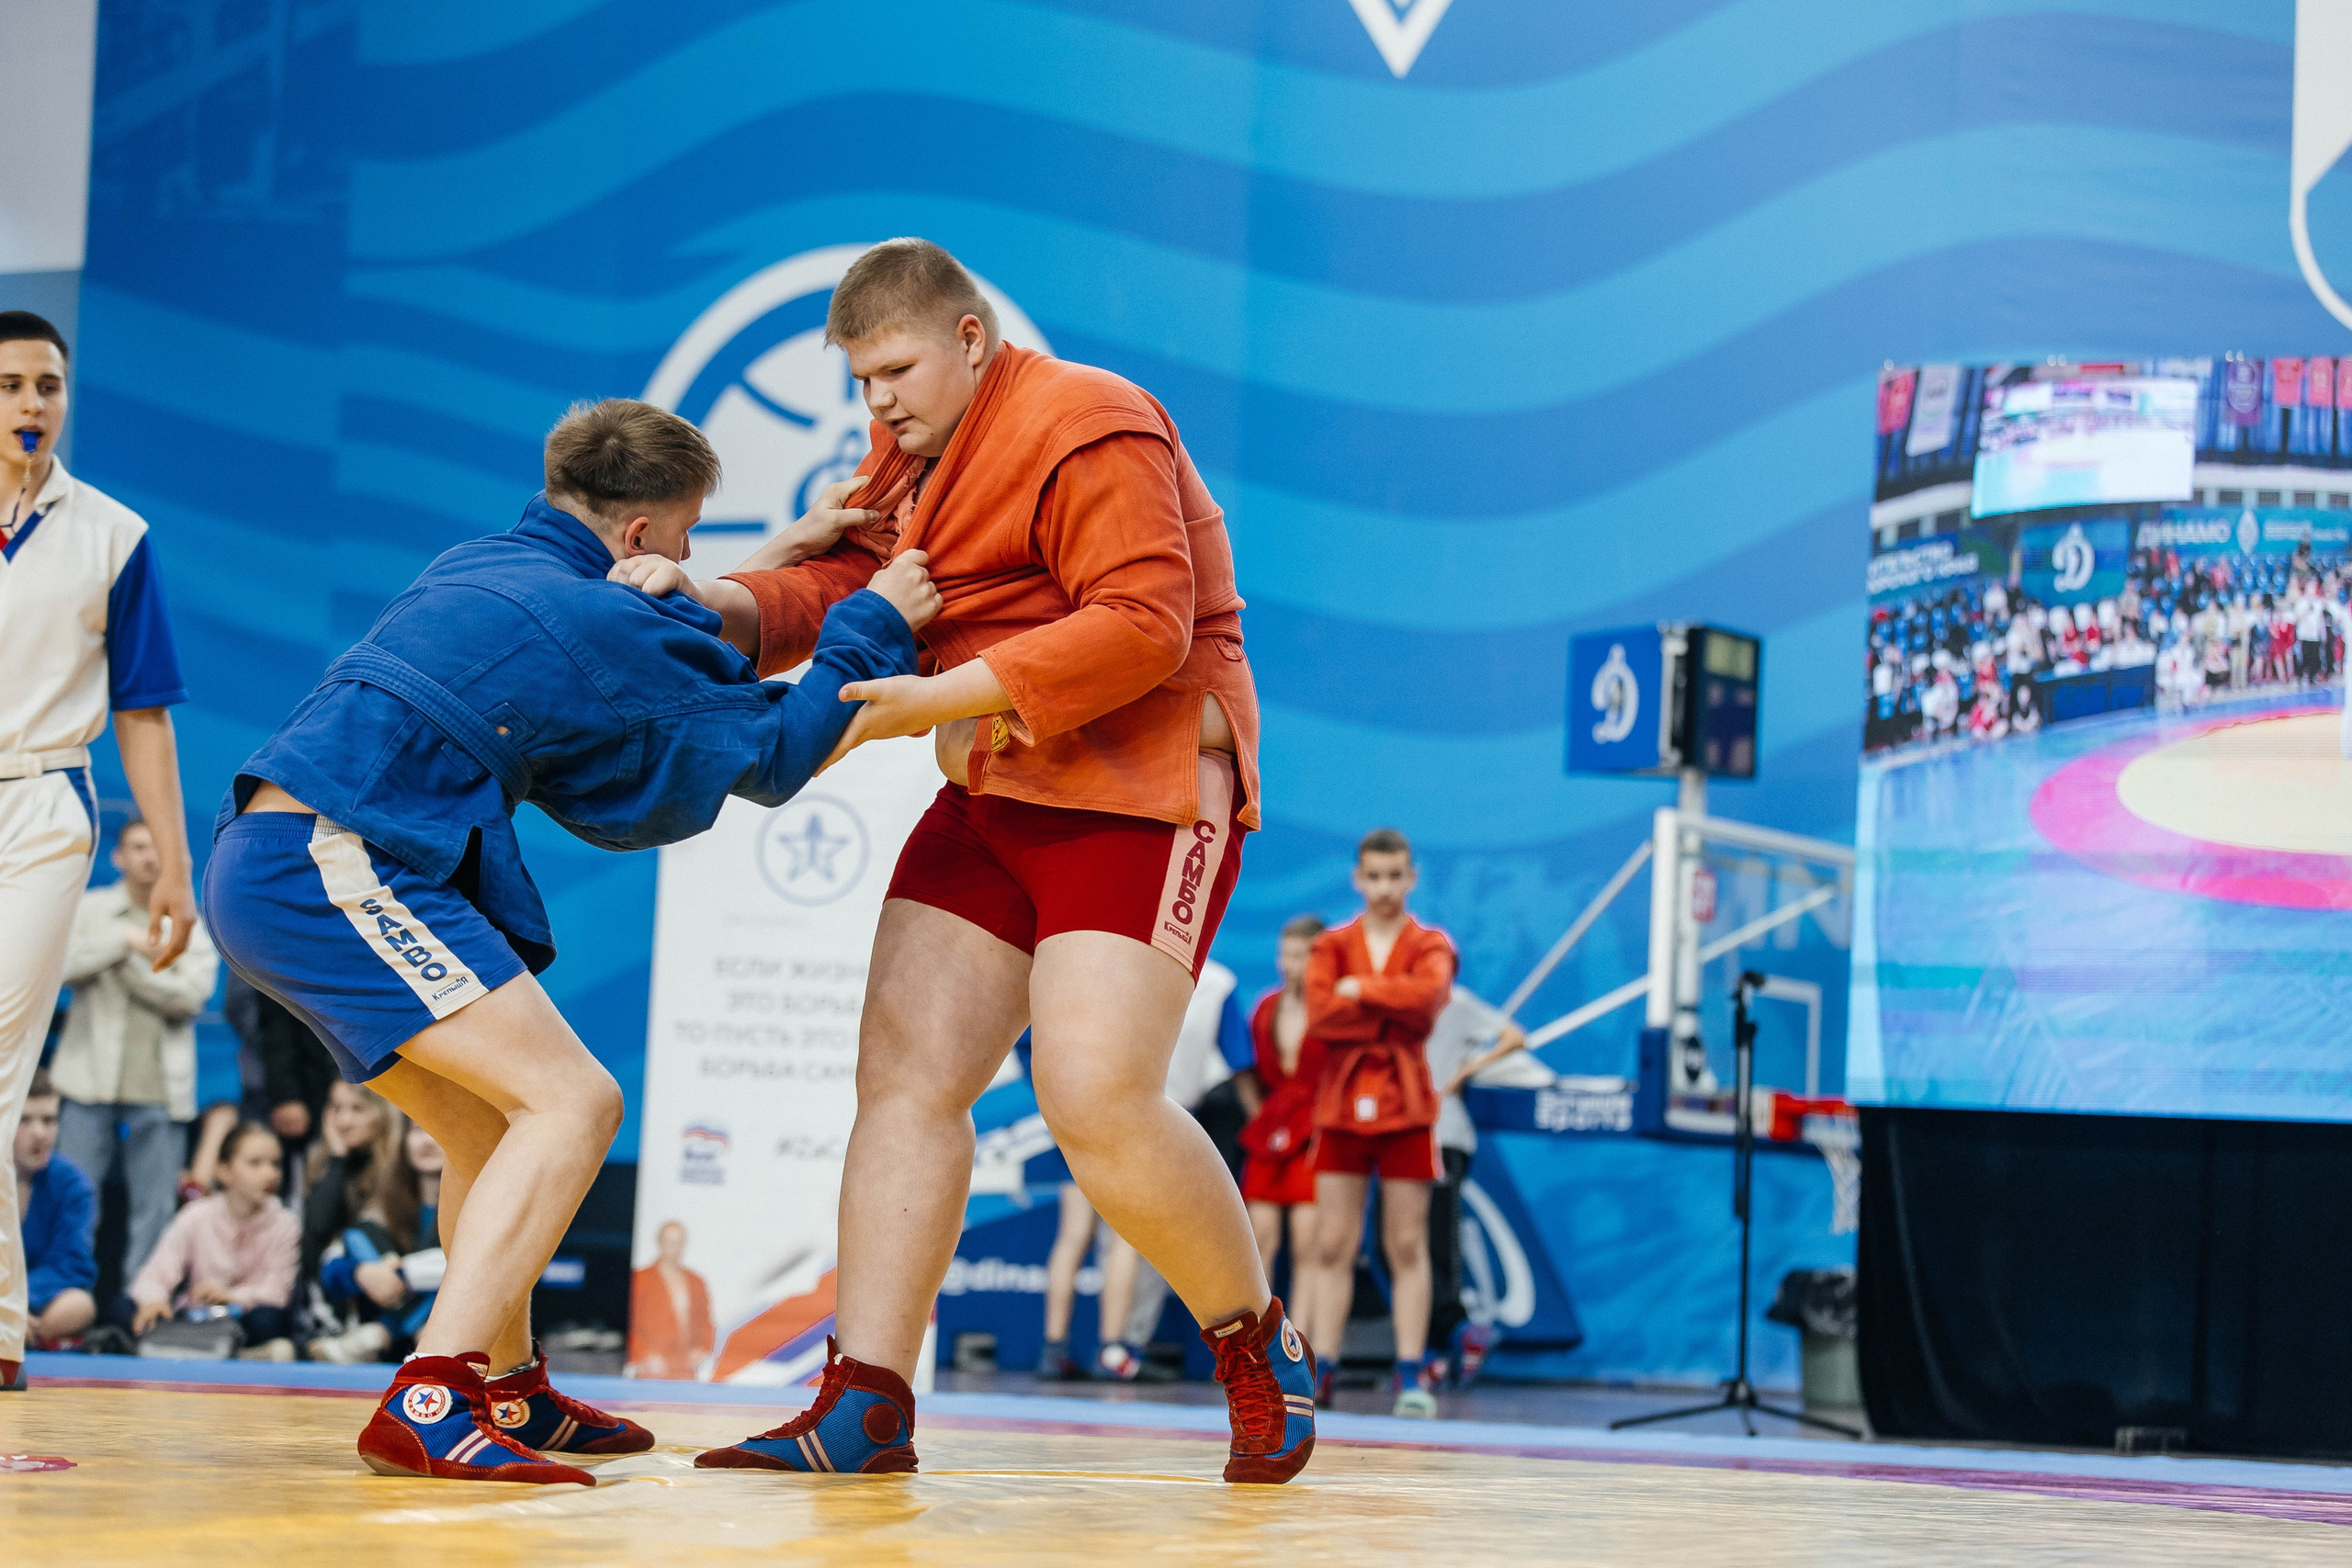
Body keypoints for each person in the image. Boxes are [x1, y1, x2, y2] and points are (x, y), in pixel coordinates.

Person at [202, 399, 933, 1484]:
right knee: (576, 1102)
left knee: (495, 1125)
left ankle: (504, 1391)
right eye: (683, 536)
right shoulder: (595, 617)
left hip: (273, 856)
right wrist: (875, 618)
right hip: (333, 859)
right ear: (638, 536)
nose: (688, 559)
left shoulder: (487, 559)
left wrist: (773, 557)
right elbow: (775, 755)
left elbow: (609, 614)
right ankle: (435, 1390)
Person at [678, 239, 1315, 1484]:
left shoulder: (1092, 417)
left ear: (970, 338)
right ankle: (866, 1395)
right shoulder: (917, 449)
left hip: (1144, 790)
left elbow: (1145, 626)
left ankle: (1255, 1336)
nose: (879, 402)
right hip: (993, 783)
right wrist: (706, 604)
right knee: (904, 1078)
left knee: (1093, 1094)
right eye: (860, 381)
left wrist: (924, 701)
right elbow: (857, 583)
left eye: (896, 370)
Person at [0, 310, 199, 1393]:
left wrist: (171, 864)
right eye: (9, 385)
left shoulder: (114, 535)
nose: (31, 404)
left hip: (44, 809)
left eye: (47, 385)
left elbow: (145, 714)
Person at [1296, 829, 1456, 1418]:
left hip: (1408, 1106)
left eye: (1396, 876)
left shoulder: (1431, 943)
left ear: (1411, 879)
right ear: (1358, 879)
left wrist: (1361, 990)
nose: (1385, 888)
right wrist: (1394, 1011)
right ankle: (1323, 1368)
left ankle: (1411, 1373)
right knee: (1331, 1243)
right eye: (1375, 876)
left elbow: (1428, 1001)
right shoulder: (1331, 945)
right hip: (1341, 1105)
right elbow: (1320, 1016)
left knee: (1406, 1244)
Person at [51, 816, 220, 1280]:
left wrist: (125, 963)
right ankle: (67, 1304)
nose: (149, 857)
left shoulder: (186, 917)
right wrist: (125, 941)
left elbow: (190, 997)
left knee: (155, 1209)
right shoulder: (90, 909)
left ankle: (139, 1308)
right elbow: (60, 966)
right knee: (75, 1201)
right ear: (118, 857)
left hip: (160, 1088)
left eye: (155, 848)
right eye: (137, 847)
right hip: (87, 1082)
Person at [128, 1122, 301, 1358]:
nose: (270, 1174)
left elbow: (277, 1291)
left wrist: (232, 1296)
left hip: (244, 1318)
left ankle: (234, 1353)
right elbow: (155, 1274)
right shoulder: (196, 1215)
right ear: (223, 1171)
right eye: (255, 1163)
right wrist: (154, 1301)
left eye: (275, 1164)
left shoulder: (285, 1223)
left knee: (269, 1320)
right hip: (193, 1318)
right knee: (123, 1309)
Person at [1425, 987, 1525, 1387]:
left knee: (1436, 1240)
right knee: (1399, 1245)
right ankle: (1440, 1343)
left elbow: (1514, 1036)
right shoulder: (1399, 996)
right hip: (1404, 1132)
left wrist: (1465, 1071)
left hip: (1444, 1133)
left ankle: (1453, 1334)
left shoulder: (1456, 1001)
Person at [1237, 918, 1328, 1300]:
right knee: (1258, 1243)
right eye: (1287, 954)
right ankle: (1262, 1350)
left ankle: (1303, 1349)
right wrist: (1259, 1114)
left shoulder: (1334, 1009)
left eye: (1303, 955)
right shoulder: (1265, 1008)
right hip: (1270, 1131)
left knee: (1309, 1247)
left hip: (1317, 1131)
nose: (1293, 964)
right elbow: (1245, 1072)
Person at [15, 1071, 96, 1359]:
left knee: (79, 1305)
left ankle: (18, 1334)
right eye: (24, 1120)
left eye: (49, 1120)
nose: (40, 1133)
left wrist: (16, 1305)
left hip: (34, 1303)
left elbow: (72, 1263)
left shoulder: (73, 1183)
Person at [627, 1220, 714, 1381]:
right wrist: (643, 1355)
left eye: (679, 1242)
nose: (674, 1248)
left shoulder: (696, 1282)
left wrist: (702, 1349)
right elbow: (629, 1324)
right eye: (669, 1241)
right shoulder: (640, 1279)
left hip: (684, 1370)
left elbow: (706, 1322)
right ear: (660, 1242)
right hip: (651, 1369)